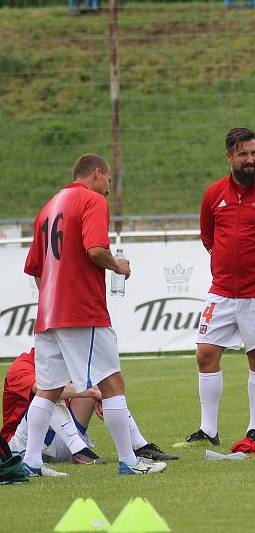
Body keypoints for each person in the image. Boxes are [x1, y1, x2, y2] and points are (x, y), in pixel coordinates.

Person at [22, 153, 167, 476]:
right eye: (108, 183)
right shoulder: (92, 200)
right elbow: (96, 250)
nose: (107, 191)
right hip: (81, 312)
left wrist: (54, 295)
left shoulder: (49, 206)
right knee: (113, 383)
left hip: (47, 315)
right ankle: (129, 461)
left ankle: (30, 461)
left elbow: (34, 268)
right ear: (98, 174)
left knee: (48, 389)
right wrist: (119, 267)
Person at [175, 128, 255, 448]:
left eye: (254, 153)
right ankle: (208, 429)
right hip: (222, 291)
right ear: (229, 156)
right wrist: (226, 263)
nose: (250, 160)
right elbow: (208, 237)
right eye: (243, 154)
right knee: (205, 354)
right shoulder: (214, 194)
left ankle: (254, 428)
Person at [2, 348, 177, 469]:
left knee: (99, 384)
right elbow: (44, 391)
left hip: (60, 444)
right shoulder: (21, 365)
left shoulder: (67, 363)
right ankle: (80, 451)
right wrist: (95, 393)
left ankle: (140, 446)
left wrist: (100, 394)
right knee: (51, 394)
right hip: (21, 447)